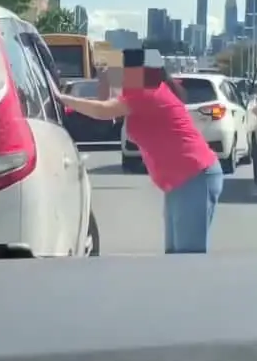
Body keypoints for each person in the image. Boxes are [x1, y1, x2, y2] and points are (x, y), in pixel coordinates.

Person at [54, 47, 223, 254]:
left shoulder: (149, 92)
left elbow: (103, 111)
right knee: (177, 257)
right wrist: (104, 77)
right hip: (183, 179)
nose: (120, 75)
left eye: (122, 70)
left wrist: (62, 98)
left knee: (187, 258)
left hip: (194, 175)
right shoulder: (140, 90)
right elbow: (105, 101)